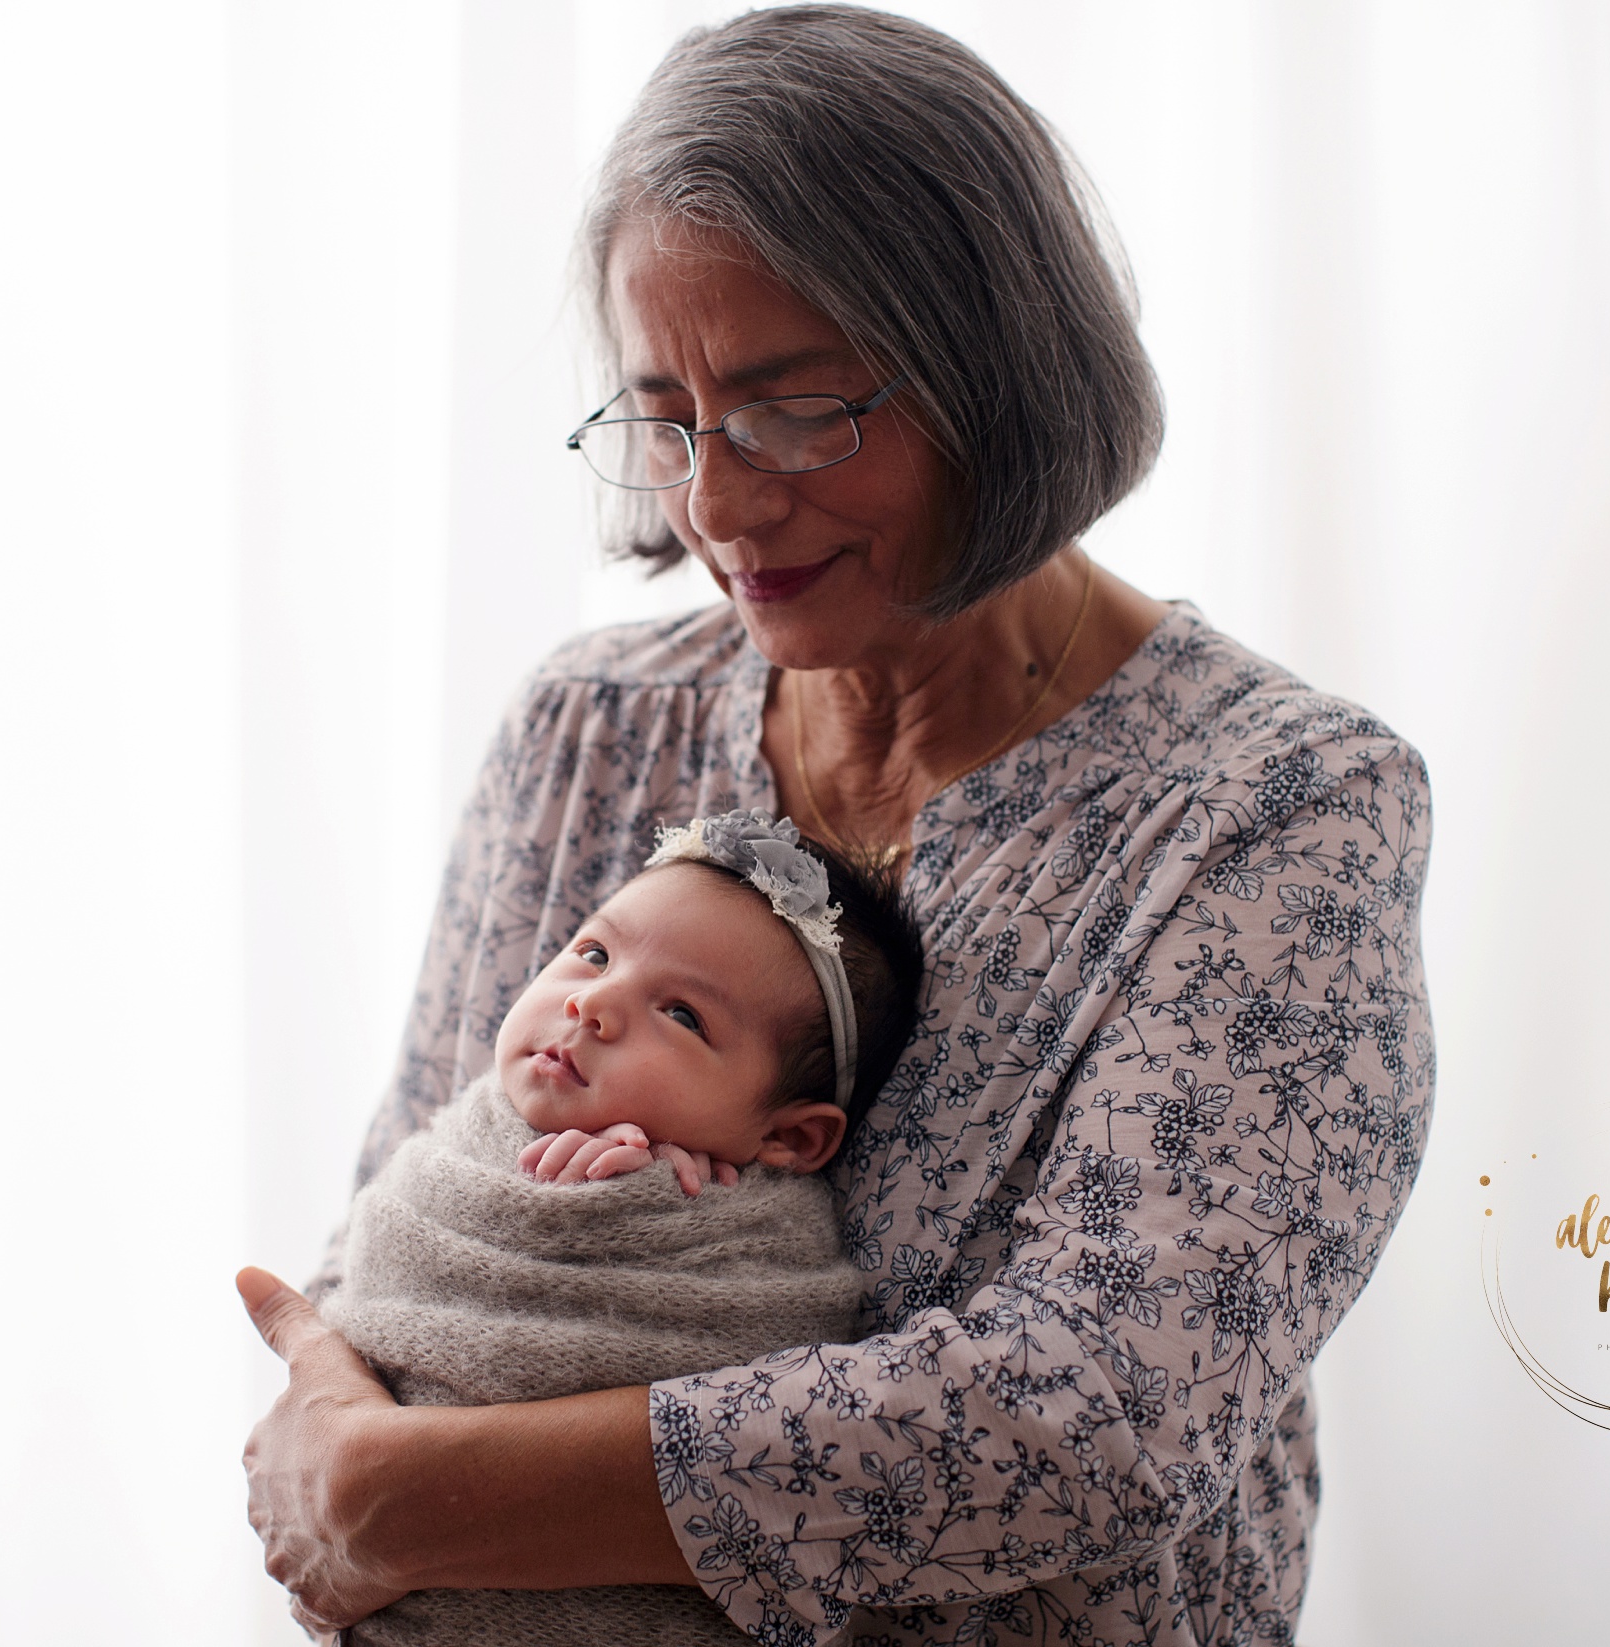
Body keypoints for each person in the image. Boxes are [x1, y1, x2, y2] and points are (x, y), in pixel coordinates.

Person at [238, 7, 1436, 1643]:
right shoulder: (592, 725)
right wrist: (345, 1435)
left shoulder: (1271, 809)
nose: (719, 503)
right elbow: (406, 1227)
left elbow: (1095, 1411)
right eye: (666, 416)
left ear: (990, 368)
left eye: (799, 409)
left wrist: (401, 1497)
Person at [316, 814, 923, 1644]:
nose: (592, 1001)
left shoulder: (736, 1238)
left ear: (786, 1137)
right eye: (595, 953)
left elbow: (762, 1395)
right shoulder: (468, 1130)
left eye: (680, 1014)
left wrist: (633, 1208)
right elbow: (381, 1261)